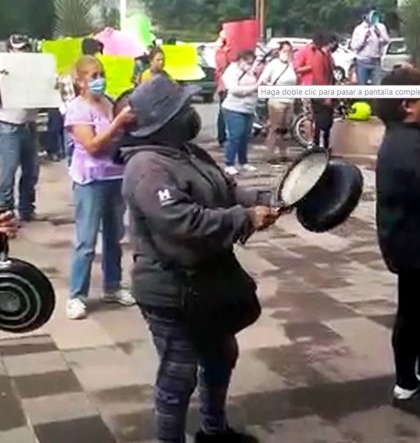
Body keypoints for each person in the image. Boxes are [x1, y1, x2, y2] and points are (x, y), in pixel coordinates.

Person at [117, 74, 282, 442]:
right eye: (184, 107)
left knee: (221, 356)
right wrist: (244, 219)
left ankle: (214, 430)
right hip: (170, 289)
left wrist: (259, 199)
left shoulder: (189, 152)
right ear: (165, 120)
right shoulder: (147, 166)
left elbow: (227, 187)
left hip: (208, 281)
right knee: (179, 374)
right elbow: (182, 222)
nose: (192, 113)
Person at [64, 56, 136, 320]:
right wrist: (117, 125)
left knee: (114, 236)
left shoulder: (109, 102)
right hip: (90, 180)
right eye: (93, 76)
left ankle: (113, 286)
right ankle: (76, 295)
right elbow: (92, 146)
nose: (99, 80)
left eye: (101, 74)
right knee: (86, 239)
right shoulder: (77, 109)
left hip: (115, 177)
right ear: (80, 81)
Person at [376, 66, 420, 414]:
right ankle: (407, 384)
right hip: (413, 246)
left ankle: (408, 381)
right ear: (408, 104)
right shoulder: (409, 146)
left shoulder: (403, 136)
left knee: (412, 313)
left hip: (406, 243)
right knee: (413, 316)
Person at [0, 34, 40, 222]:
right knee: (7, 172)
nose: (21, 53)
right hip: (9, 125)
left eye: (24, 48)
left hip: (30, 124)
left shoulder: (36, 70)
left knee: (31, 171)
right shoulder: (2, 70)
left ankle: (26, 208)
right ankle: (5, 211)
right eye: (17, 49)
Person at [294, 33, 335, 150]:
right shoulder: (304, 51)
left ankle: (320, 145)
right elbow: (297, 69)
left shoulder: (325, 54)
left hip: (322, 89)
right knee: (309, 117)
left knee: (321, 119)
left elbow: (330, 71)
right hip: (308, 87)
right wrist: (311, 67)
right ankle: (310, 142)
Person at [258, 41, 297, 163]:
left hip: (289, 100)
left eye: (289, 51)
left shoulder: (293, 65)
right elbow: (263, 80)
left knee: (285, 129)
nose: (287, 53)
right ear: (279, 51)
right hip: (276, 100)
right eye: (284, 51)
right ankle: (269, 154)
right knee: (275, 128)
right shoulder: (273, 64)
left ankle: (283, 154)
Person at [222, 50, 258, 176]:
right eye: (248, 63)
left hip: (248, 108)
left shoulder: (249, 71)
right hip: (234, 108)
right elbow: (234, 89)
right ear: (241, 60)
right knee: (235, 137)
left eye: (252, 63)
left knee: (245, 137)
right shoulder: (231, 72)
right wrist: (253, 88)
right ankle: (229, 163)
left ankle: (243, 162)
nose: (250, 65)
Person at [350, 8, 389, 85]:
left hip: (376, 61)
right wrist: (364, 39)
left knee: (377, 85)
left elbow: (387, 41)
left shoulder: (380, 27)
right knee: (363, 86)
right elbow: (354, 46)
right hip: (362, 61)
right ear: (365, 16)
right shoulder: (359, 29)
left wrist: (379, 35)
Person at [215, 30, 231, 147]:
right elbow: (222, 66)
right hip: (225, 86)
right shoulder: (220, 51)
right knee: (224, 112)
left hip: (234, 86)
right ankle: (222, 138)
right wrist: (225, 52)